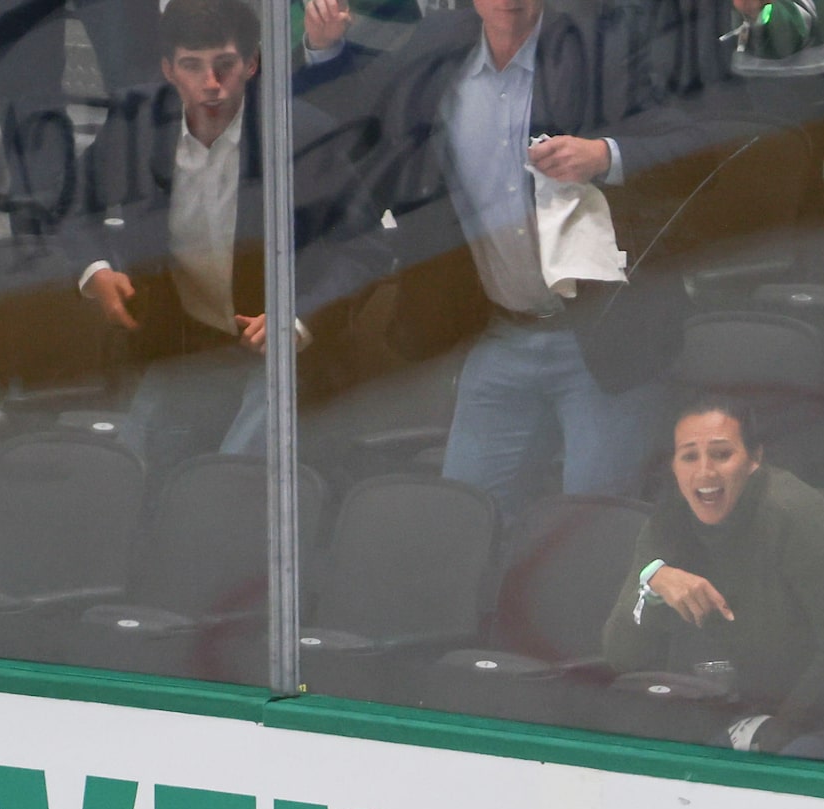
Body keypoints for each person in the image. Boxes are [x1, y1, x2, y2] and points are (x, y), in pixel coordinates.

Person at [304, 0, 767, 514]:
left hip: (604, 336)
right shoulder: (439, 44)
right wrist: (325, 51)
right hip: (500, 334)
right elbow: (363, 120)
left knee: (589, 532)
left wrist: (606, 155)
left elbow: (703, 145)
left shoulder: (602, 45)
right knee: (463, 520)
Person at [72, 0, 348, 480]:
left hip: (281, 353)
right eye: (192, 67)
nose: (211, 83)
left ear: (252, 63)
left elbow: (363, 247)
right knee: (128, 474)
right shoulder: (139, 121)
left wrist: (300, 318)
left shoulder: (301, 133)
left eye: (225, 65)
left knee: (226, 484)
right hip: (184, 345)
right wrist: (96, 270)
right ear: (168, 69)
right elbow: (71, 205)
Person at [600, 397, 824, 762]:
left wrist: (778, 728)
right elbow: (621, 657)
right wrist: (650, 589)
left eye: (721, 454)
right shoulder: (666, 525)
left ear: (754, 459)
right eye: (689, 457)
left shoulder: (796, 516)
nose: (704, 473)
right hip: (749, 707)